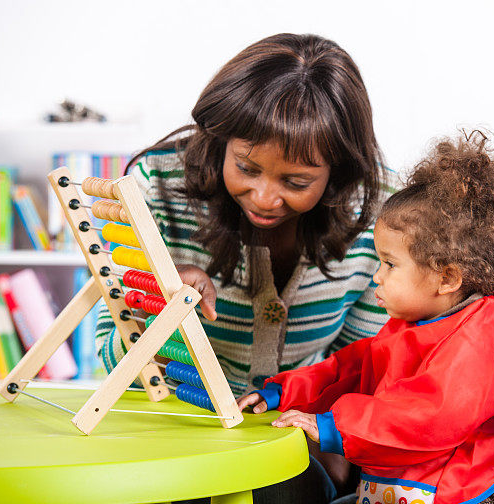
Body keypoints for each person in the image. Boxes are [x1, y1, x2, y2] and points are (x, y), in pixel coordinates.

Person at [94, 33, 398, 503]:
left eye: (296, 182)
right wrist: (162, 306)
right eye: (247, 167)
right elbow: (111, 354)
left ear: (336, 172)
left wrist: (336, 446)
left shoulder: (378, 210)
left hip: (290, 438)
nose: (264, 197)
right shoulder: (158, 185)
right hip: (173, 429)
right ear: (221, 141)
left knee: (285, 490)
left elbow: (367, 363)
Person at [238, 132, 494, 504]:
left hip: (465, 495)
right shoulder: (416, 324)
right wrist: (284, 391)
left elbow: (429, 416)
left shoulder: (490, 336)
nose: (376, 276)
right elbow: (351, 368)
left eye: (390, 264)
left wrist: (334, 426)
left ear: (447, 277)